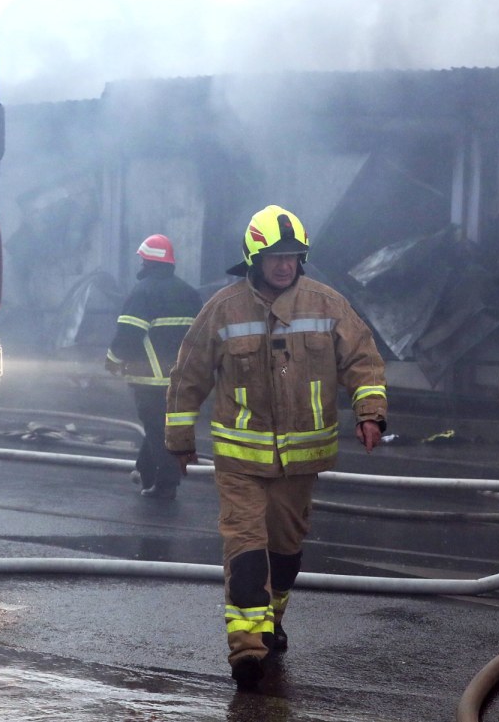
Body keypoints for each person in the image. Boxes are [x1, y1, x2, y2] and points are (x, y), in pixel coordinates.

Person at [164, 205, 388, 692]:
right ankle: (247, 649)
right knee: (245, 549)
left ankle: (271, 619)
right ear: (254, 258)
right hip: (240, 461)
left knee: (285, 552)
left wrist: (371, 413)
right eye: (275, 257)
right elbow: (189, 376)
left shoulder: (328, 305)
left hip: (300, 464)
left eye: (292, 256)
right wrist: (179, 439)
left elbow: (364, 362)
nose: (285, 265)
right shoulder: (222, 310)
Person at [105, 234, 203, 499]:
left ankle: (166, 485)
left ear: (147, 262)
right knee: (160, 426)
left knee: (158, 428)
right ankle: (145, 470)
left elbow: (128, 333)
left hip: (151, 379)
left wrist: (112, 361)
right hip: (184, 378)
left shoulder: (143, 292)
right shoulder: (189, 292)